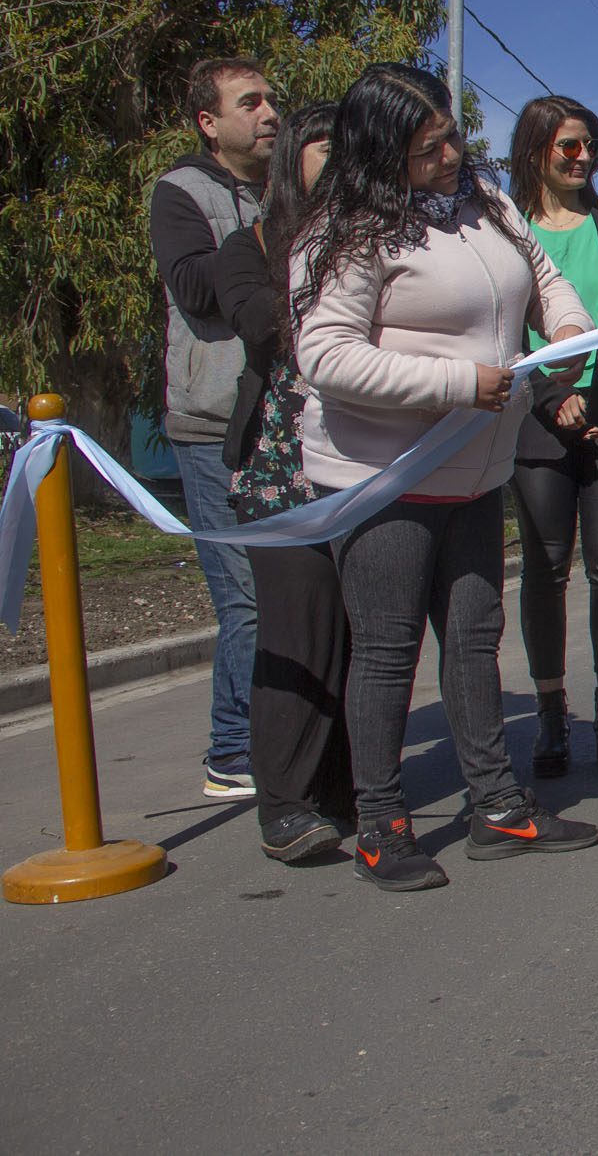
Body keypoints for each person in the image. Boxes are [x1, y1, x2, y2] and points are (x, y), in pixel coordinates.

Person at [293, 63, 598, 891]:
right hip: (384, 473)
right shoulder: (352, 232)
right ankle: (381, 821)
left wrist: (567, 330)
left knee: (472, 637)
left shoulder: (488, 203)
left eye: (451, 135)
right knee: (388, 650)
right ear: (379, 150)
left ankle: (497, 806)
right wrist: (461, 382)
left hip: (474, 469)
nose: (448, 153)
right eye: (427, 145)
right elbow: (323, 354)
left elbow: (543, 276)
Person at [214, 102, 354, 862]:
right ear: (295, 155)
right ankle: (286, 804)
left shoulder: (382, 238)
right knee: (299, 632)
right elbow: (262, 327)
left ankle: (345, 787)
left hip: (368, 462)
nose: (342, 157)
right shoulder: (253, 245)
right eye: (328, 144)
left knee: (362, 634)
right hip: (280, 471)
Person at [505, 95, 598, 779]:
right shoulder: (504, 232)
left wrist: (596, 398)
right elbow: (502, 330)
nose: (584, 157)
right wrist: (551, 396)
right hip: (533, 418)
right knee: (546, 568)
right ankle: (551, 714)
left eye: (591, 146)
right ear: (533, 151)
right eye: (568, 146)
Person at [150, 56, 276, 799]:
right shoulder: (182, 191)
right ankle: (232, 748)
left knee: (288, 589)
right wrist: (271, 236)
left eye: (272, 101)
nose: (269, 114)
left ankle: (282, 734)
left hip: (286, 421)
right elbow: (196, 289)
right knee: (244, 596)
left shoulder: (281, 189)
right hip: (210, 425)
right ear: (209, 122)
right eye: (250, 102)